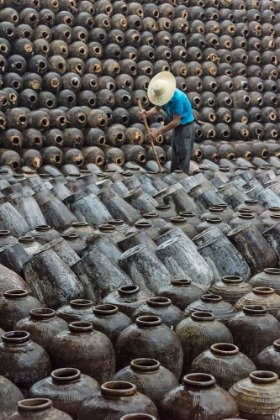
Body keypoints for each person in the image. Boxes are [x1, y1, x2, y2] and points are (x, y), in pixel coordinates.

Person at [139, 71, 195, 174]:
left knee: (183, 156)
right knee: (175, 153)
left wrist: (158, 132)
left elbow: (176, 122)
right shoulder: (162, 97)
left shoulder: (178, 98)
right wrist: (147, 113)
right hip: (177, 127)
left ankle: (182, 180)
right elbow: (157, 109)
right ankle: (174, 178)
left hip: (186, 127)